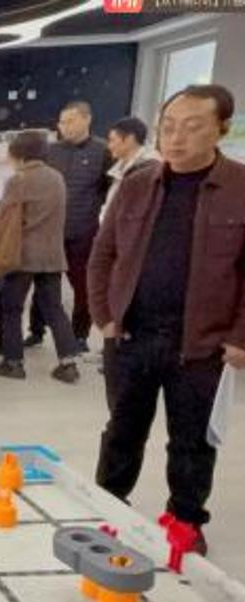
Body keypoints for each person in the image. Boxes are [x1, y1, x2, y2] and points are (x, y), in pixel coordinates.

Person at [90, 84, 245, 554]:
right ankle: (108, 507)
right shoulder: (138, 184)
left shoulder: (239, 188)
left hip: (202, 344)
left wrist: (240, 336)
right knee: (122, 429)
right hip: (132, 335)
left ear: (221, 129)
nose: (176, 138)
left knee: (193, 440)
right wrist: (105, 316)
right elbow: (103, 255)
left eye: (192, 127)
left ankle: (185, 521)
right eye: (168, 127)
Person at [0, 132, 82, 383]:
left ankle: (13, 362)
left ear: (19, 154)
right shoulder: (57, 177)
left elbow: (1, 216)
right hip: (53, 254)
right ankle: (68, 363)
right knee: (54, 308)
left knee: (11, 307)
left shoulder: (18, 180)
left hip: (22, 255)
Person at [27, 100, 113, 351]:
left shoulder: (103, 152)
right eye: (62, 122)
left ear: (87, 119)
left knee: (83, 286)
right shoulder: (51, 151)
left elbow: (109, 189)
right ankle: (36, 331)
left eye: (70, 121)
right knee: (43, 284)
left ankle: (80, 335)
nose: (64, 126)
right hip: (50, 231)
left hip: (83, 232)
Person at [101, 116, 159, 223]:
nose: (109, 146)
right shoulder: (119, 168)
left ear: (129, 139)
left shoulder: (150, 170)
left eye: (112, 140)